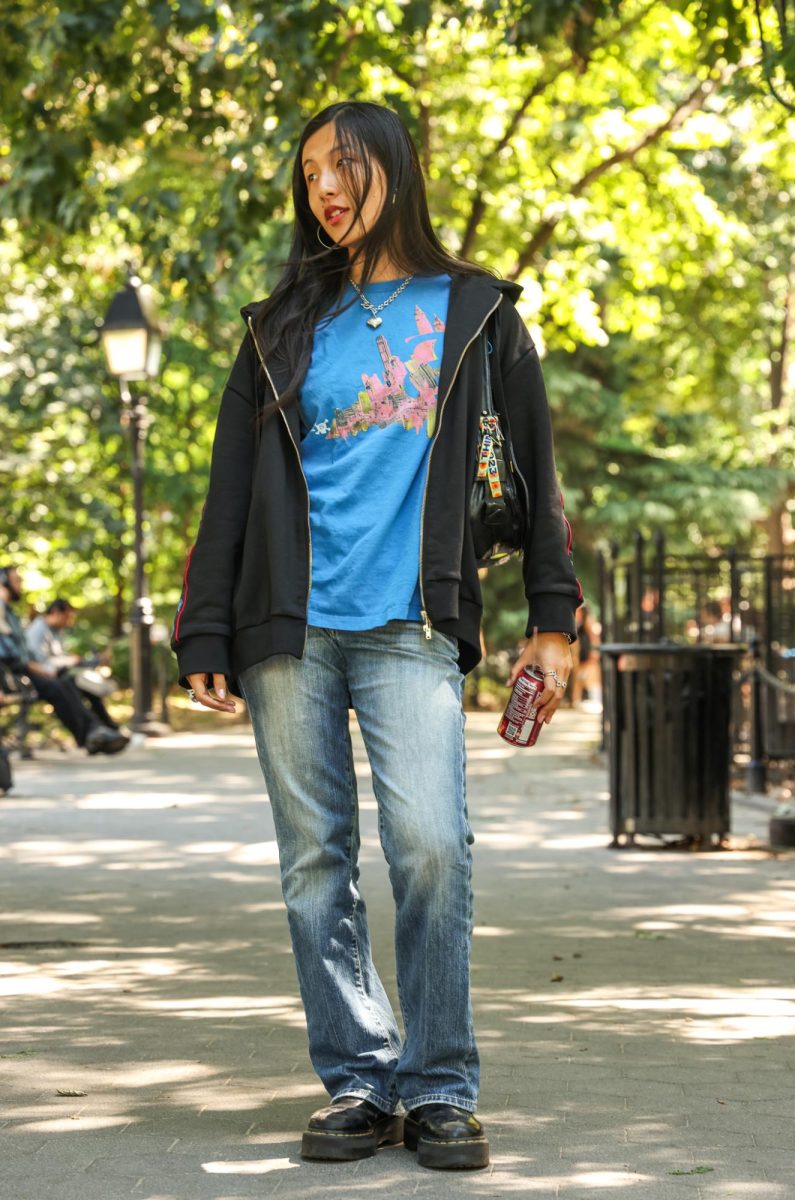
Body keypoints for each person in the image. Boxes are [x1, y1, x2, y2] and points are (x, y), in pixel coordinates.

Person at [171, 100, 582, 1171]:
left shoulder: (480, 312)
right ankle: (360, 1077)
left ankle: (440, 1085)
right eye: (309, 175)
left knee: (433, 849)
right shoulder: (278, 327)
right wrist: (205, 626)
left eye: (343, 167)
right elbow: (229, 494)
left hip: (412, 626)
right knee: (317, 864)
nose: (326, 190)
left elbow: (537, 486)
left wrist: (554, 620)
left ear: (394, 166)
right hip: (288, 636)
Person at [0, 567, 128, 756]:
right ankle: (92, 735)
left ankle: (95, 733)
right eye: (16, 580)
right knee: (59, 686)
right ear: (3, 581)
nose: (20, 584)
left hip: (27, 669)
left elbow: (24, 651)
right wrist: (33, 666)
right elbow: (7, 652)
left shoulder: (10, 612)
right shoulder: (3, 610)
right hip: (15, 673)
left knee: (66, 684)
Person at [26, 598, 123, 734]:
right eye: (67, 617)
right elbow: (41, 664)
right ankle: (93, 732)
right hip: (42, 679)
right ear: (55, 612)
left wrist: (74, 660)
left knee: (89, 689)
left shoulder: (54, 631)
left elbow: (57, 657)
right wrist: (69, 661)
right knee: (71, 686)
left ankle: (107, 729)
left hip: (56, 676)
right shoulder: (38, 630)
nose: (69, 622)